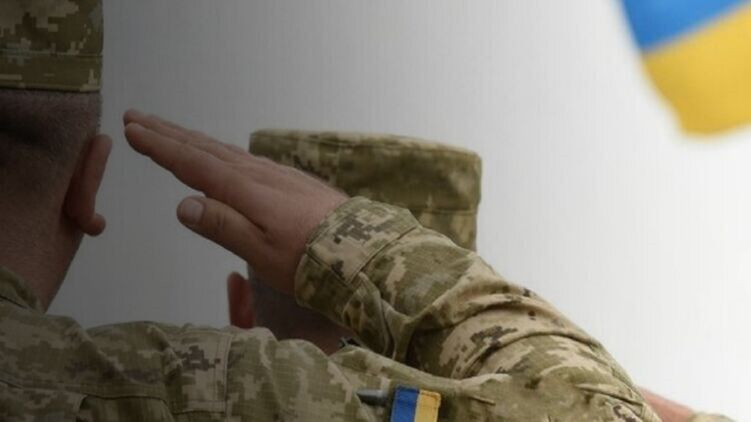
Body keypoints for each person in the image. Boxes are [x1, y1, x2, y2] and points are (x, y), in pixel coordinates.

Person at [0, 1, 731, 420]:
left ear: (240, 310)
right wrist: (364, 250)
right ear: (86, 184)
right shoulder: (237, 395)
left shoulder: (107, 382)